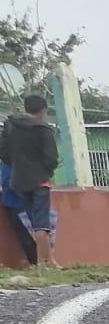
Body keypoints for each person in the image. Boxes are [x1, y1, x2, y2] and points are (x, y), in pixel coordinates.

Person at [0, 94, 60, 268]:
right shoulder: (44, 129)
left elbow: (3, 150)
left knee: (31, 221)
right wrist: (45, 172)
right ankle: (44, 263)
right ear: (42, 110)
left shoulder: (10, 125)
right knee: (41, 223)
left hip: (17, 180)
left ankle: (48, 261)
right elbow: (52, 158)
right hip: (39, 181)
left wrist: (16, 165)